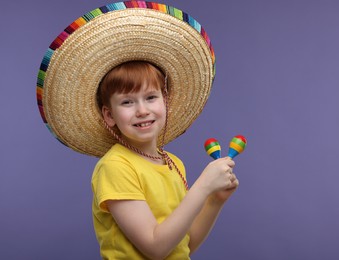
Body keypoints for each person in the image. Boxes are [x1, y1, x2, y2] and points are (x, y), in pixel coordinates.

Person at [36, 2, 239, 259]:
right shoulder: (116, 167)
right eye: (127, 102)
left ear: (166, 101)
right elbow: (155, 247)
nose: (142, 110)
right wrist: (202, 186)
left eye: (151, 97)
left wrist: (214, 199)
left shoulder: (173, 163)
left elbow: (183, 246)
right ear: (109, 115)